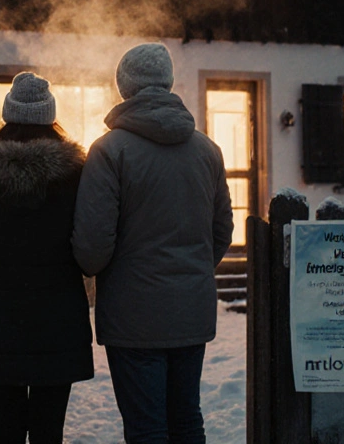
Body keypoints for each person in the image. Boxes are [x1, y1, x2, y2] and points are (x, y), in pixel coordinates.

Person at [72, 43, 234, 444]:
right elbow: (221, 231)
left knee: (146, 428)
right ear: (168, 82)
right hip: (191, 312)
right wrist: (190, 271)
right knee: (187, 419)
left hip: (133, 318)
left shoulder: (109, 151)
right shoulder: (207, 151)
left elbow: (92, 249)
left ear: (124, 87)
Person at [0, 72, 94, 444]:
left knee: (6, 428)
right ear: (50, 116)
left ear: (8, 114)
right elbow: (90, 242)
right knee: (49, 430)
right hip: (60, 316)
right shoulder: (77, 176)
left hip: (1, 317)